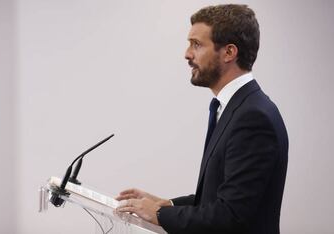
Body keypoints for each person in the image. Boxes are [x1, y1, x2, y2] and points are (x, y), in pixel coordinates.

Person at [116, 4, 288, 234]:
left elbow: (230, 215)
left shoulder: (253, 117)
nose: (187, 54)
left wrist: (158, 215)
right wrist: (165, 204)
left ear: (229, 52)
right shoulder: (233, 108)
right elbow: (220, 197)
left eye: (196, 44)